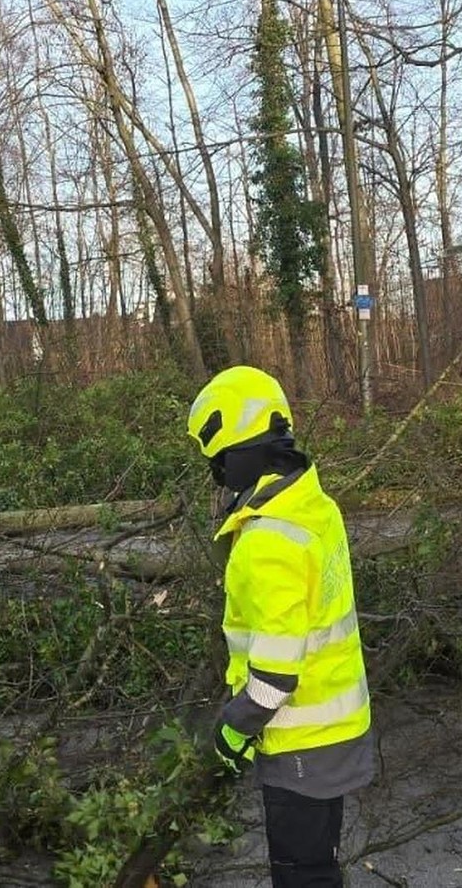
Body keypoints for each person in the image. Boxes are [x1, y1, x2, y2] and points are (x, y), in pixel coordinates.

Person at [186, 366, 373, 887]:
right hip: (335, 727)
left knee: (301, 875)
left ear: (242, 451)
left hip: (302, 741)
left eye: (219, 463)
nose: (218, 477)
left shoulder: (268, 540)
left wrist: (232, 729)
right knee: (318, 865)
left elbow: (274, 679)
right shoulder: (314, 506)